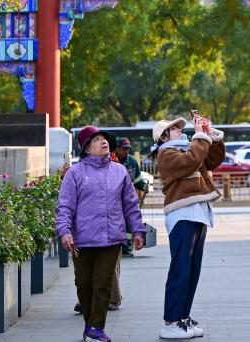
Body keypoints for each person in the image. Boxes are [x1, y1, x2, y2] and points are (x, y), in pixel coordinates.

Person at [57, 126, 146, 342]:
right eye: (96, 140)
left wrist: (137, 230)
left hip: (111, 238)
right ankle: (90, 324)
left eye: (103, 139)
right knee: (84, 285)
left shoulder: (119, 171)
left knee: (103, 284)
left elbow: (130, 205)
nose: (103, 142)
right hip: (82, 240)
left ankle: (96, 326)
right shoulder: (75, 173)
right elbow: (65, 206)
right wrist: (64, 232)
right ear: (87, 149)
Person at [153, 111, 225, 339]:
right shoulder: (166, 154)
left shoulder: (188, 148)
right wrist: (199, 136)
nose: (180, 130)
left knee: (192, 270)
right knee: (181, 269)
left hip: (198, 211)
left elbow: (213, 160)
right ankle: (170, 321)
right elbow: (192, 161)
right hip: (182, 213)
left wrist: (211, 135)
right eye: (175, 128)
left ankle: (183, 318)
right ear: (164, 137)